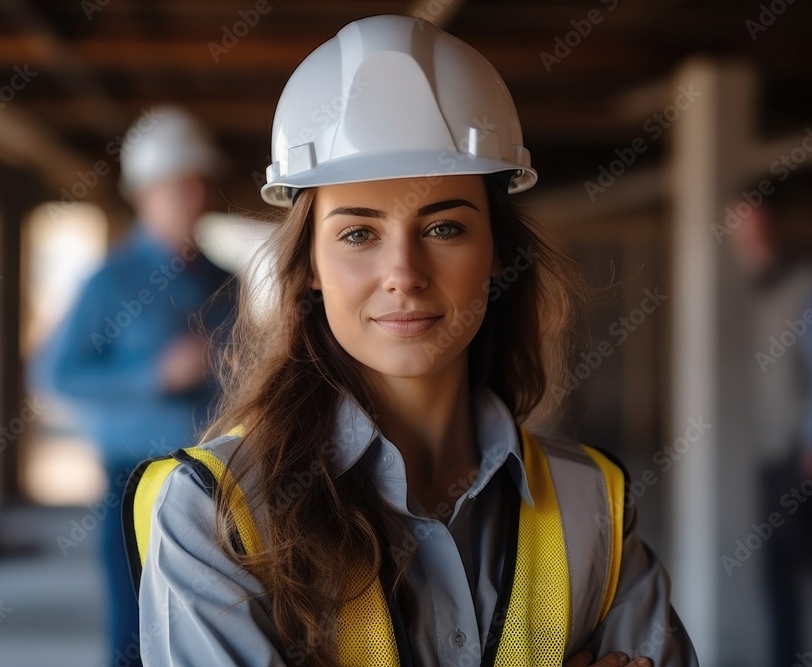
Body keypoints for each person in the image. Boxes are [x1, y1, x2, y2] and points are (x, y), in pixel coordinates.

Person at [128, 16, 698, 667]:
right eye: (358, 234)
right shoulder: (215, 514)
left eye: (445, 228)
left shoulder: (589, 501)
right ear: (310, 264)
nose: (403, 273)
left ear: (496, 251)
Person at [29, 106, 235, 667]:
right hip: (134, 478)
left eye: (196, 181)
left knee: (209, 628)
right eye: (175, 184)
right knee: (134, 629)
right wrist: (154, 377)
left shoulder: (225, 282)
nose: (189, 195)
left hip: (215, 475)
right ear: (143, 193)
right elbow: (52, 373)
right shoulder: (109, 280)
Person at [727, 189, 812, 667]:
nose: (748, 235)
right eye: (739, 226)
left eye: (754, 223)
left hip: (801, 451)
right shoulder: (751, 288)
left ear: (771, 225)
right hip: (767, 452)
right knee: (779, 565)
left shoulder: (808, 283)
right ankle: (784, 655)